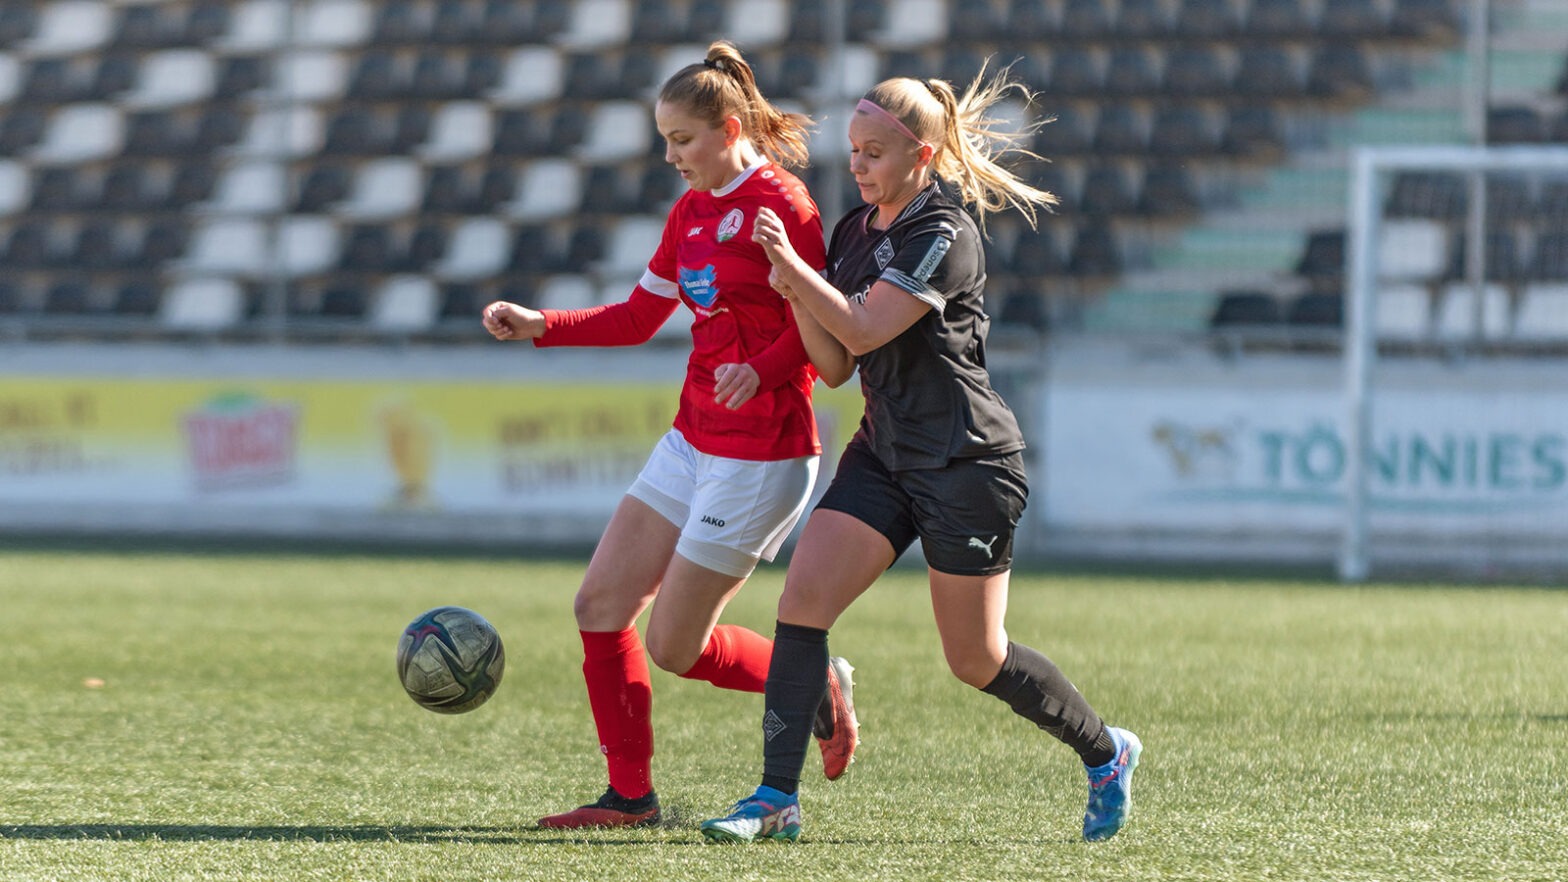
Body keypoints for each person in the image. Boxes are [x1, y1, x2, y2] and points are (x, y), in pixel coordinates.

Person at [699, 66, 1140, 844]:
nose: (858, 166)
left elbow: (867, 329)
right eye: (853, 151)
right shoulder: (850, 232)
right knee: (801, 609)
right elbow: (836, 366)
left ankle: (1106, 754)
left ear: (922, 157)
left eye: (874, 153)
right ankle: (775, 798)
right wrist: (794, 291)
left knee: (976, 659)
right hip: (885, 454)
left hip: (967, 462)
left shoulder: (944, 232)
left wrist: (796, 276)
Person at [481, 41, 858, 830]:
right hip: (692, 439)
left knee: (676, 648)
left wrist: (762, 368)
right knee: (598, 602)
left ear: (727, 129)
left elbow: (829, 326)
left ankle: (813, 679)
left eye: (681, 140)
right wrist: (540, 324)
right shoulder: (689, 212)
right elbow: (638, 316)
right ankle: (630, 798)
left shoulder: (783, 206)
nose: (670, 156)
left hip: (762, 454)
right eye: (664, 141)